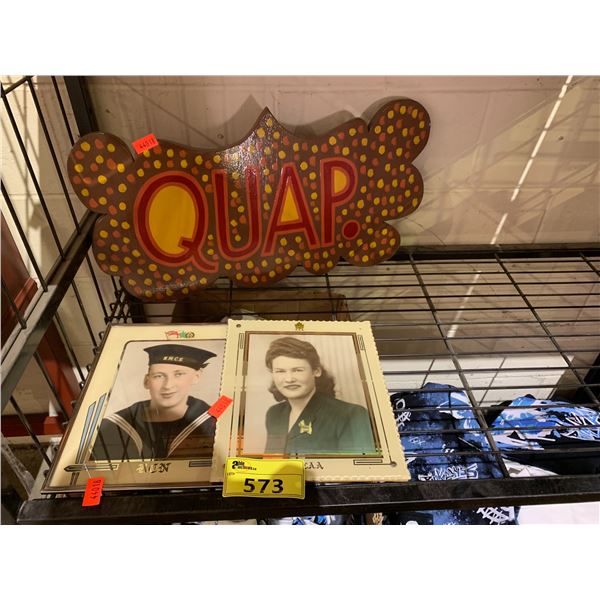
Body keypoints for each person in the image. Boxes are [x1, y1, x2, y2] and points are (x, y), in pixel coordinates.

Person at [91, 344, 217, 461]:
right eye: (159, 376)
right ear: (147, 381)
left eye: (179, 374)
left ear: (196, 377)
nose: (168, 385)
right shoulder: (112, 426)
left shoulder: (213, 422)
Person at [263, 336, 376, 455]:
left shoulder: (350, 415)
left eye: (297, 370)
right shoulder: (274, 414)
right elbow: (271, 461)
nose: (289, 379)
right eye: (280, 371)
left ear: (316, 371)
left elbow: (358, 464)